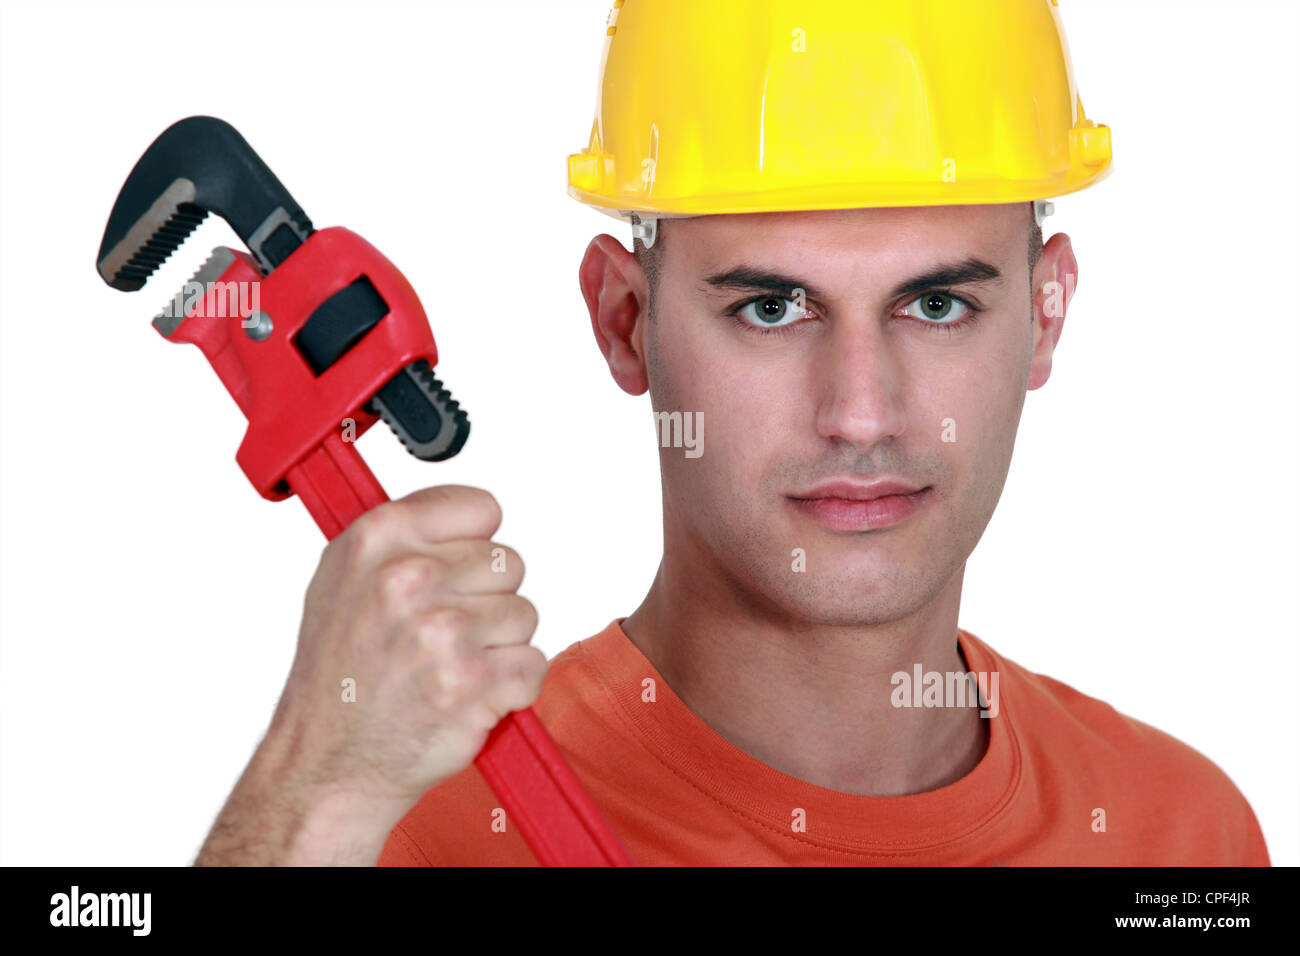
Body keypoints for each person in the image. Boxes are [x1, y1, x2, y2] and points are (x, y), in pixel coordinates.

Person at [195, 0, 1270, 866]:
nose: (860, 411)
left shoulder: (1182, 839)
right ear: (625, 321)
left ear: (1045, 313)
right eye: (771, 307)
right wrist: (305, 806)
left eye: (936, 305)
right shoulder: (414, 832)